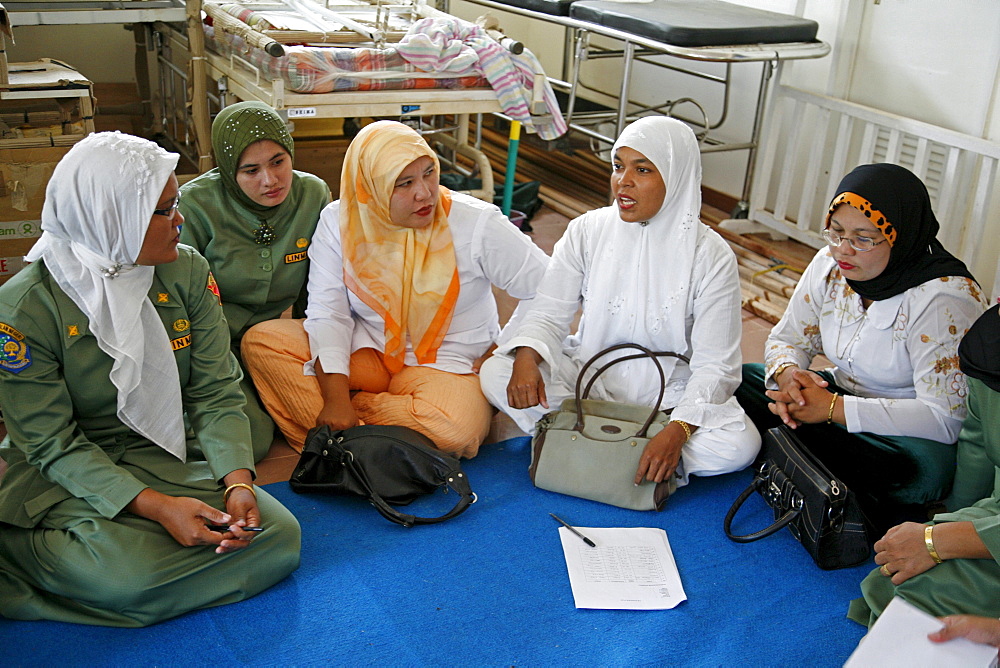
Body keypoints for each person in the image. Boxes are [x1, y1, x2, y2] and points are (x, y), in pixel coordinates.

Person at [0, 132, 300, 627]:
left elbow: (215, 389)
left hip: (155, 445)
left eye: (175, 203)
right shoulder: (25, 309)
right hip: (65, 467)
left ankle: (123, 564)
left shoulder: (185, 272)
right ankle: (19, 552)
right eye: (161, 211)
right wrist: (158, 507)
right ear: (110, 218)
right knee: (126, 578)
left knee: (280, 535)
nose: (178, 220)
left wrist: (237, 484)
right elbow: (51, 445)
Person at [478, 116, 761, 492]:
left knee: (740, 446)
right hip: (588, 383)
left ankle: (583, 449)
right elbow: (549, 310)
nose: (622, 181)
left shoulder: (710, 255)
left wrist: (678, 429)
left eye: (641, 170)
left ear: (675, 178)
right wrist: (528, 356)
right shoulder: (587, 230)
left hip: (667, 398)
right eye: (617, 166)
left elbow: (716, 365)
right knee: (497, 372)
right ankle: (635, 463)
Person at [241, 120, 549, 457]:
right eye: (404, 183)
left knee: (456, 430)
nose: (425, 192)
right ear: (369, 188)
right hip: (368, 351)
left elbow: (550, 287)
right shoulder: (340, 221)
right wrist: (335, 398)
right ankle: (381, 435)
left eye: (430, 172)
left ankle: (342, 441)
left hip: (448, 362)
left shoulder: (476, 223)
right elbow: (329, 313)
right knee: (263, 342)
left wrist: (511, 347)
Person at [735, 163, 989, 535]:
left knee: (912, 476)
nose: (843, 249)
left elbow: (945, 420)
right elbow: (788, 338)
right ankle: (816, 467)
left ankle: (793, 456)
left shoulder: (942, 298)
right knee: (746, 382)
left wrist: (833, 411)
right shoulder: (830, 266)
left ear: (899, 237)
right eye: (836, 232)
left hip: (911, 434)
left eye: (863, 238)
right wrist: (790, 378)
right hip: (836, 398)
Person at [179, 101, 331, 461]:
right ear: (230, 172)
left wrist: (321, 355)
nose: (270, 180)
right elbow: (180, 302)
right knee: (251, 440)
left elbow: (321, 291)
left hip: (272, 342)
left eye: (278, 161)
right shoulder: (195, 205)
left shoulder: (313, 195)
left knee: (318, 421)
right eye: (250, 170)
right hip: (211, 344)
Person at [848, 304, 1000, 627]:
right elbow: (977, 447)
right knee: (899, 571)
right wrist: (945, 523)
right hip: (994, 515)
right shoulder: (988, 344)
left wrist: (936, 542)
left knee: (925, 588)